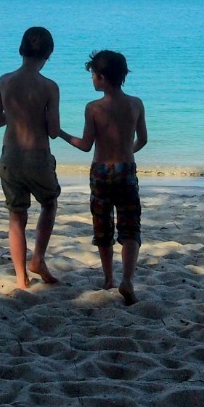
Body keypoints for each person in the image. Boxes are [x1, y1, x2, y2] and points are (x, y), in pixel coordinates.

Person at [60, 50, 148, 305]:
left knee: (103, 226)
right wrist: (126, 152)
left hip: (100, 172)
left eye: (93, 75)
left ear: (101, 77)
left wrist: (61, 134)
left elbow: (86, 145)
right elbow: (142, 139)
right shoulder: (136, 103)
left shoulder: (93, 108)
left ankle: (108, 277)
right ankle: (128, 280)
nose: (92, 80)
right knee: (130, 226)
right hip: (126, 171)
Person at [0, 26, 62, 289]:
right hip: (37, 156)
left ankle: (21, 278)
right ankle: (38, 259)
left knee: (17, 216)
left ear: (21, 50)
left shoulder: (4, 81)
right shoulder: (49, 87)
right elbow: (53, 131)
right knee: (49, 203)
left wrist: (17, 115)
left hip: (10, 156)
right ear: (49, 54)